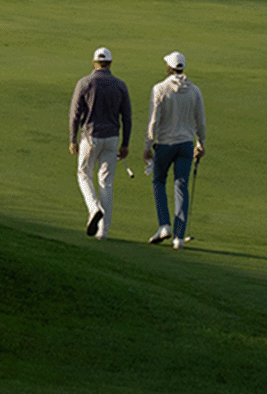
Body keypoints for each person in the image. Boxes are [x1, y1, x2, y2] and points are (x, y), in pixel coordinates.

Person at [68, 46, 131, 239]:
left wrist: (72, 139)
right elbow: (127, 117)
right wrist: (125, 143)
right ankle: (103, 231)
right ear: (110, 63)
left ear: (94, 63)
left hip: (90, 136)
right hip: (112, 138)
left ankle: (93, 208)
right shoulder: (120, 85)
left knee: (83, 175)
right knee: (106, 183)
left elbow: (75, 114)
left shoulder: (84, 82)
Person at [145, 51, 206, 248]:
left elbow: (153, 121)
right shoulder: (195, 91)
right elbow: (200, 121)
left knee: (158, 182)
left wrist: (147, 145)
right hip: (186, 144)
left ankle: (164, 225)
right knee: (181, 187)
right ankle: (179, 237)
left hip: (165, 144)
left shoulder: (160, 89)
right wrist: (201, 143)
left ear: (168, 68)